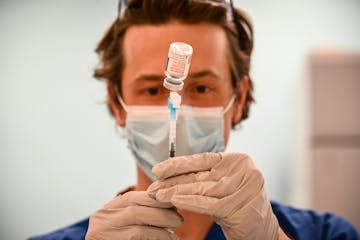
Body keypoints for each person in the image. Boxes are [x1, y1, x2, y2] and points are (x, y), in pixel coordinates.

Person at [29, 0, 359, 239]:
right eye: (152, 89)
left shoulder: (328, 234)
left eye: (202, 87)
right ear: (118, 104)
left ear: (239, 98)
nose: (180, 109)